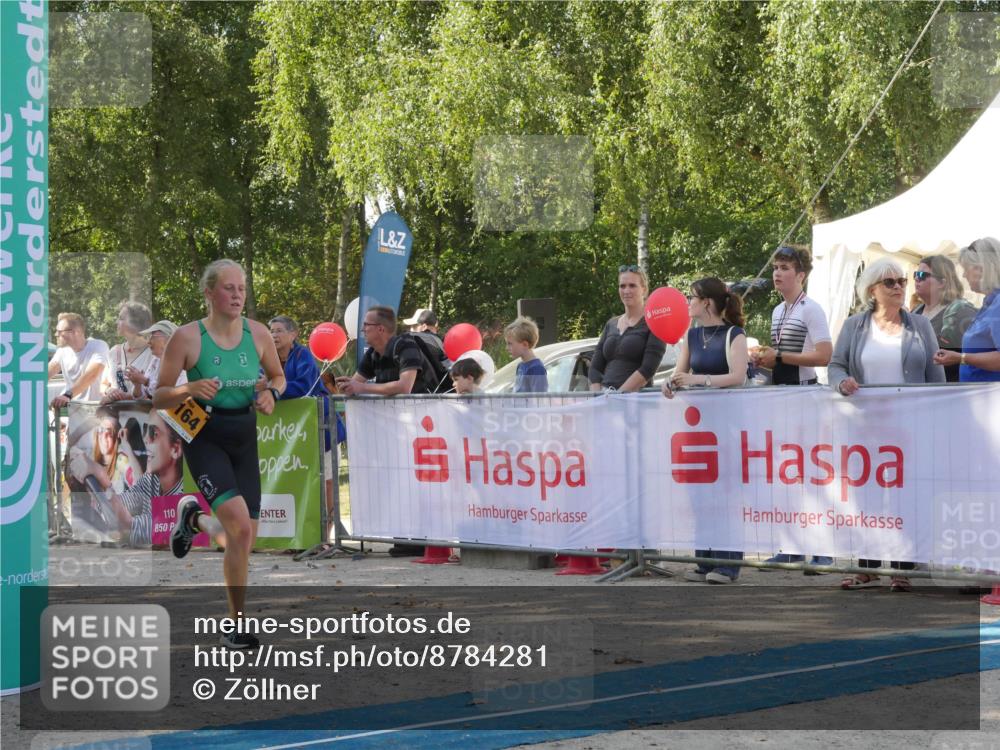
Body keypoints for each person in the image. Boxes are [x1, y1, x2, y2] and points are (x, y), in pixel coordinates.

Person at [155, 259, 285, 649]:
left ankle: (193, 520)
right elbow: (159, 395)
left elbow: (279, 377)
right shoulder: (187, 337)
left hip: (244, 435)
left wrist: (270, 394)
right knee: (241, 530)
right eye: (228, 288)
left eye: (241, 288)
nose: (237, 295)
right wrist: (188, 391)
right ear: (209, 293)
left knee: (243, 539)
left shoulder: (258, 334)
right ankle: (237, 624)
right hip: (204, 436)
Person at [829, 257, 945, 592]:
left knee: (904, 496)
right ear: (872, 290)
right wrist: (842, 382)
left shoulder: (919, 325)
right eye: (890, 282)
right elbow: (835, 365)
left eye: (902, 281)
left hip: (908, 428)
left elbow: (934, 378)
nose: (898, 287)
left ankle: (903, 567)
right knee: (866, 495)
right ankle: (866, 566)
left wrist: (935, 418)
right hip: (865, 427)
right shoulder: (855, 326)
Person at [751, 246, 834, 571]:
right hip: (781, 396)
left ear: (800, 275)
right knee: (787, 474)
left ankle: (824, 550)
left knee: (812, 475)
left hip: (805, 395)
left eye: (784, 267)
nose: (777, 273)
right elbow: (780, 356)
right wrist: (763, 358)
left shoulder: (811, 309)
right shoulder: (776, 311)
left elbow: (825, 355)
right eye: (775, 267)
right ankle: (791, 547)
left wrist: (781, 357)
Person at [662, 277, 750, 584]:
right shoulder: (691, 335)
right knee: (700, 494)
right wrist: (670, 383)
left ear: (707, 303)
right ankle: (705, 560)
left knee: (725, 495)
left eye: (692, 298)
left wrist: (700, 381)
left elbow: (738, 375)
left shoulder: (734, 335)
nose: (688, 303)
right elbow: (679, 372)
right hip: (700, 427)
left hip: (726, 425)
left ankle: (728, 565)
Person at [589, 265, 666, 392]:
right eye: (622, 286)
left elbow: (648, 369)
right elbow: (595, 367)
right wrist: (598, 398)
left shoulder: (655, 323)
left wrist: (618, 397)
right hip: (605, 400)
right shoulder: (611, 323)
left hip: (635, 403)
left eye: (632, 285)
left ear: (644, 289)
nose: (626, 291)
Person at [933, 237, 1000, 381]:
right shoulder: (990, 303)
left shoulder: (998, 304)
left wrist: (961, 358)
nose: (963, 275)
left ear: (981, 268)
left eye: (965, 269)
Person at [336, 306, 436, 396]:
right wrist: (344, 384)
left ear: (380, 329)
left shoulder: (406, 346)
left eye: (366, 325)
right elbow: (355, 383)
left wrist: (361, 387)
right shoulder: (372, 353)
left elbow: (404, 387)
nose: (362, 329)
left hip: (425, 413)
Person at [911, 255, 977, 382]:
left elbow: (977, 357)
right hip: (918, 390)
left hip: (949, 392)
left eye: (922, 275)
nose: (917, 279)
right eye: (916, 274)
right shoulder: (915, 312)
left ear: (942, 282)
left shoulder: (961, 313)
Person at [49, 313, 110, 407]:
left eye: (59, 331)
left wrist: (67, 395)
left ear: (75, 332)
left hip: (95, 411)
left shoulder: (99, 346)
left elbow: (92, 374)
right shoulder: (61, 351)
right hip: (73, 410)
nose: (56, 334)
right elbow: (46, 373)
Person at [101, 301, 154, 402]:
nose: (116, 322)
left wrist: (127, 396)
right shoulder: (114, 352)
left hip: (145, 415)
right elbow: (103, 384)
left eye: (121, 318)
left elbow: (157, 391)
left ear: (136, 323)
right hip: (115, 415)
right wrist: (109, 391)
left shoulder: (153, 354)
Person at [129, 320, 184, 399]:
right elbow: (143, 398)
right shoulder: (156, 360)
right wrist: (137, 385)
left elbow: (172, 395)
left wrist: (145, 381)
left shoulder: (181, 362)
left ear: (169, 338)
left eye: (152, 336)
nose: (148, 342)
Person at [505, 316, 548, 393]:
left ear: (525, 344)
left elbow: (540, 400)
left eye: (510, 344)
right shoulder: (521, 366)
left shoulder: (536, 368)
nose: (507, 348)